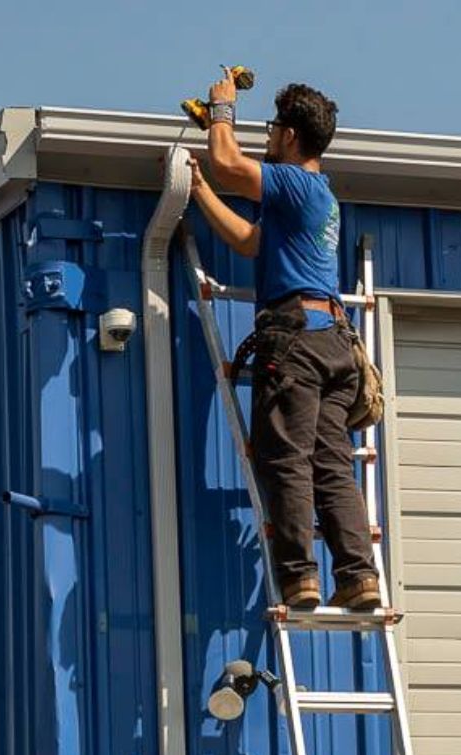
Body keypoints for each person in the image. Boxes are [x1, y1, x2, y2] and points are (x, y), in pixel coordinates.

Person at [187, 71, 381, 611]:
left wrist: (221, 109)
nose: (267, 136)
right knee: (330, 465)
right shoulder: (311, 197)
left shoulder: (297, 184)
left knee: (286, 459)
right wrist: (201, 191)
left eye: (272, 128)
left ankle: (300, 578)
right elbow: (251, 242)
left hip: (296, 340)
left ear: (291, 136)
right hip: (332, 342)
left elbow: (229, 163)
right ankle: (358, 576)